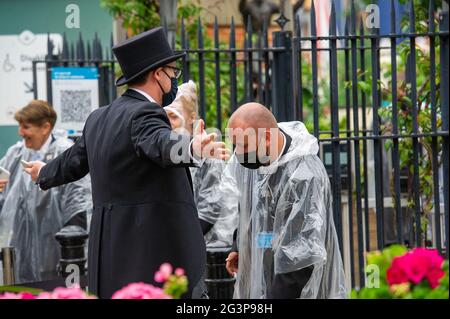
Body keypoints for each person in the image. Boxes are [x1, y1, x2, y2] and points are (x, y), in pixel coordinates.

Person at [23, 27, 229, 298]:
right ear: (158, 74)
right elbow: (159, 143)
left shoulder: (98, 118)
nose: (174, 80)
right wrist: (191, 148)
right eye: (173, 72)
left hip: (108, 253)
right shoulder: (145, 113)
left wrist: (44, 172)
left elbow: (74, 160)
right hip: (150, 253)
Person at [224, 102, 347, 299]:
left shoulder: (304, 176)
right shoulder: (250, 161)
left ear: (266, 138)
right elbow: (248, 210)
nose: (238, 153)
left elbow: (300, 260)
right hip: (266, 273)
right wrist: (240, 247)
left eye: (243, 145)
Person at [0, 100, 91, 284]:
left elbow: (78, 202)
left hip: (55, 248)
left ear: (45, 127)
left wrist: (71, 245)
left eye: (26, 126)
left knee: (52, 289)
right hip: (21, 249)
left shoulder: (63, 151)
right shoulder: (16, 153)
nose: (20, 132)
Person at [164, 80, 238, 245]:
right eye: (163, 115)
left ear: (191, 117)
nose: (167, 122)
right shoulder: (163, 153)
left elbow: (209, 213)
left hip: (207, 248)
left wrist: (179, 241)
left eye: (173, 116)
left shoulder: (209, 156)